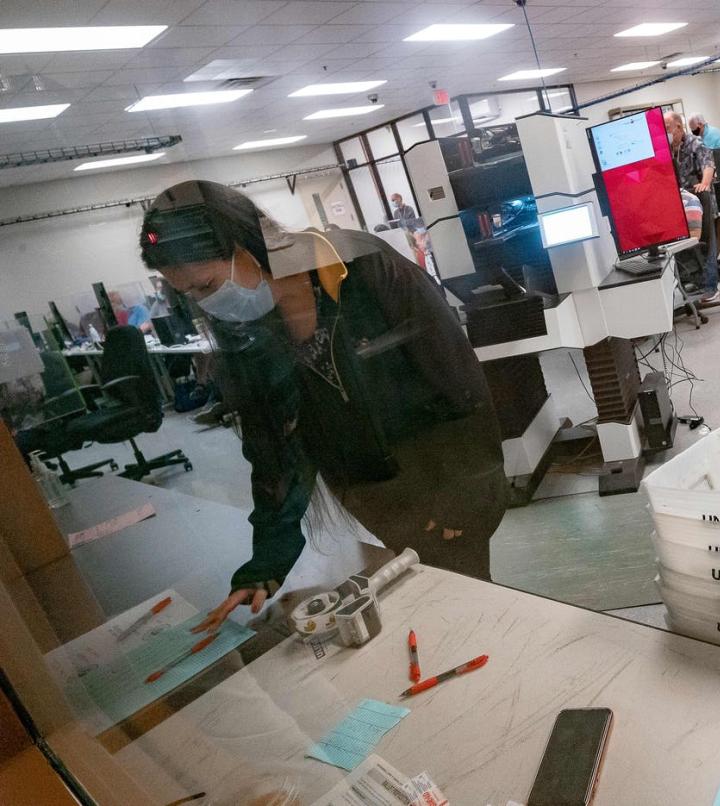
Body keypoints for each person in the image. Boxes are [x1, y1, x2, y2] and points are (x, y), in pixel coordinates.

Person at [138, 180, 507, 632]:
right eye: (192, 295)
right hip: (374, 493)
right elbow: (273, 448)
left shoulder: (362, 268)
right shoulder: (250, 332)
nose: (208, 303)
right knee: (434, 602)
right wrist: (266, 563)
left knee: (474, 602)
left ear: (247, 246)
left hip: (444, 476)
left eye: (208, 285)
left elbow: (458, 384)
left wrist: (463, 505)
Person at [664, 111, 720, 303]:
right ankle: (694, 282)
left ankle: (710, 287)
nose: (666, 133)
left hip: (700, 201)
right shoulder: (667, 150)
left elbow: (708, 164)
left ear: (679, 127)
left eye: (668, 128)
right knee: (686, 247)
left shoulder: (695, 143)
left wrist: (704, 183)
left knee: (707, 244)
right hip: (680, 206)